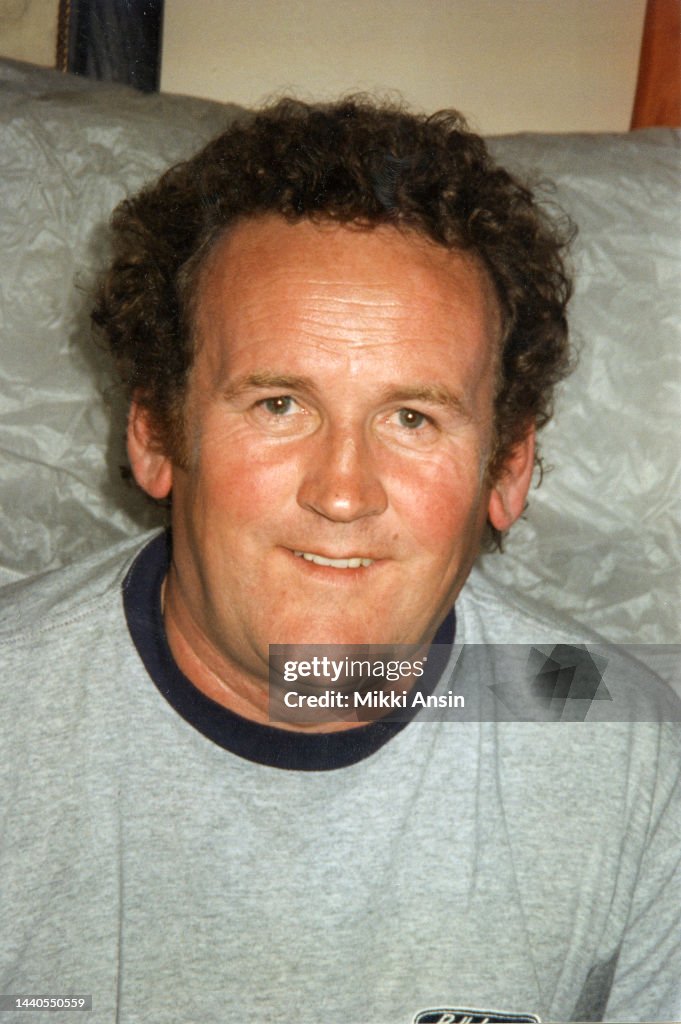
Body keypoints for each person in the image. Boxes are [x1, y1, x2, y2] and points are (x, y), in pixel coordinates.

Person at [0, 98, 678, 1024]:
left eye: (412, 418)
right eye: (279, 404)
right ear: (156, 433)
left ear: (507, 470)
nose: (344, 491)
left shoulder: (619, 747)